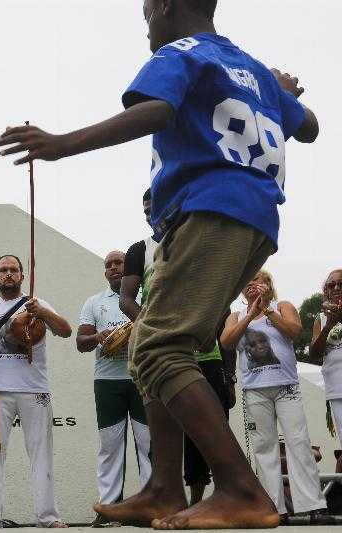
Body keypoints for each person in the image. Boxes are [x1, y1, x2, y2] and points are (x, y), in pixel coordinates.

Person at [0, 0, 319, 527]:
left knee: (161, 348)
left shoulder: (181, 53)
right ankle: (164, 487)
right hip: (250, 217)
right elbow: (311, 129)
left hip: (211, 209)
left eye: (147, 11)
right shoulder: (255, 70)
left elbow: (156, 111)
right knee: (153, 346)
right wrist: (282, 94)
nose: (146, 22)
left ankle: (240, 490)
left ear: (166, 6)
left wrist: (61, 144)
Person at [120, 189, 236, 505]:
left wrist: (210, 331)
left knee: (206, 431)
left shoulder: (201, 242)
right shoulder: (138, 250)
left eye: (154, 207)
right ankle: (167, 496)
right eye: (144, 209)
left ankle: (200, 501)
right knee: (164, 431)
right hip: (161, 352)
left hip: (205, 353)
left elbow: (221, 294)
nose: (149, 213)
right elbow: (126, 298)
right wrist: (151, 326)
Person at [0, 254, 71, 529]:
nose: (9, 274)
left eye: (14, 270)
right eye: (3, 270)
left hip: (34, 390)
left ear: (22, 276)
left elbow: (65, 330)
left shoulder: (37, 303)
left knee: (41, 453)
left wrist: (43, 313)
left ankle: (48, 517)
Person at [221, 271, 325, 518]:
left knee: (298, 442)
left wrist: (267, 310)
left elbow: (294, 331)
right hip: (254, 390)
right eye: (246, 282)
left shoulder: (283, 306)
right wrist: (249, 316)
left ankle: (311, 505)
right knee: (264, 447)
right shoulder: (236, 315)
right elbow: (226, 341)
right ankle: (273, 508)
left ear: (268, 285)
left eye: (257, 280)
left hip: (286, 386)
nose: (252, 285)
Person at [78, 251, 150, 523]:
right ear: (104, 272)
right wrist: (99, 336)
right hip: (107, 382)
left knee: (147, 442)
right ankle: (109, 507)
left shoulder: (146, 297)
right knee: (109, 445)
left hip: (143, 378)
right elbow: (81, 342)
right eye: (108, 265)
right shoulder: (94, 302)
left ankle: (148, 504)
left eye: (118, 263)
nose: (113, 268)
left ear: (128, 267)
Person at [310, 269, 342, 448]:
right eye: (331, 285)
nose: (336, 288)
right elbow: (314, 354)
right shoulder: (321, 318)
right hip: (336, 388)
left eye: (341, 284)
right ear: (326, 290)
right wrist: (329, 324)